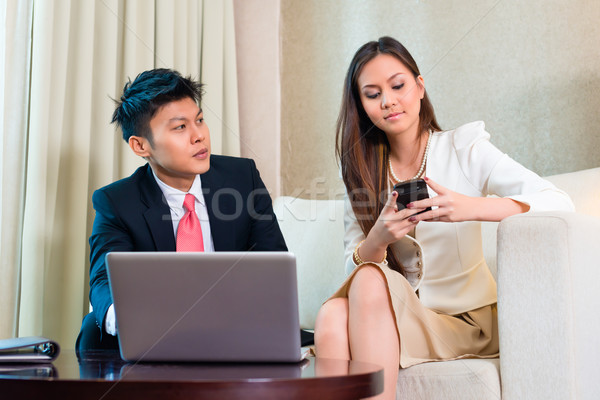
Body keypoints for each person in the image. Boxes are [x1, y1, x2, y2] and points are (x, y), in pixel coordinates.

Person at [313, 37, 574, 399]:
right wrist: (379, 238)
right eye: (372, 94)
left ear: (420, 86)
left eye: (398, 85)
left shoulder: (464, 148)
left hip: (466, 321)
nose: (388, 100)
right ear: (361, 105)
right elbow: (352, 265)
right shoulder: (361, 171)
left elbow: (558, 201)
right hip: (401, 315)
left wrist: (471, 207)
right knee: (331, 315)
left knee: (367, 285)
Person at [76, 68, 291, 351]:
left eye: (199, 120)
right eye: (180, 127)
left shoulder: (242, 178)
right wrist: (130, 321)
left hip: (234, 323)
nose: (198, 136)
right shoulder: (117, 202)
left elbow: (273, 263)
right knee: (94, 330)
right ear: (140, 146)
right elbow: (103, 280)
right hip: (156, 333)